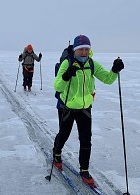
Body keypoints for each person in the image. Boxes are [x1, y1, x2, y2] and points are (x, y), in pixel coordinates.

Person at [53, 35, 124, 186]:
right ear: (76, 50)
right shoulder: (67, 63)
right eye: (81, 49)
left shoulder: (91, 64)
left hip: (85, 108)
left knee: (86, 140)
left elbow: (107, 79)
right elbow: (57, 86)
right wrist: (66, 75)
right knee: (64, 134)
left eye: (87, 49)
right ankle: (57, 154)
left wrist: (114, 70)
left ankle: (84, 169)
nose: (84, 52)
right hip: (67, 107)